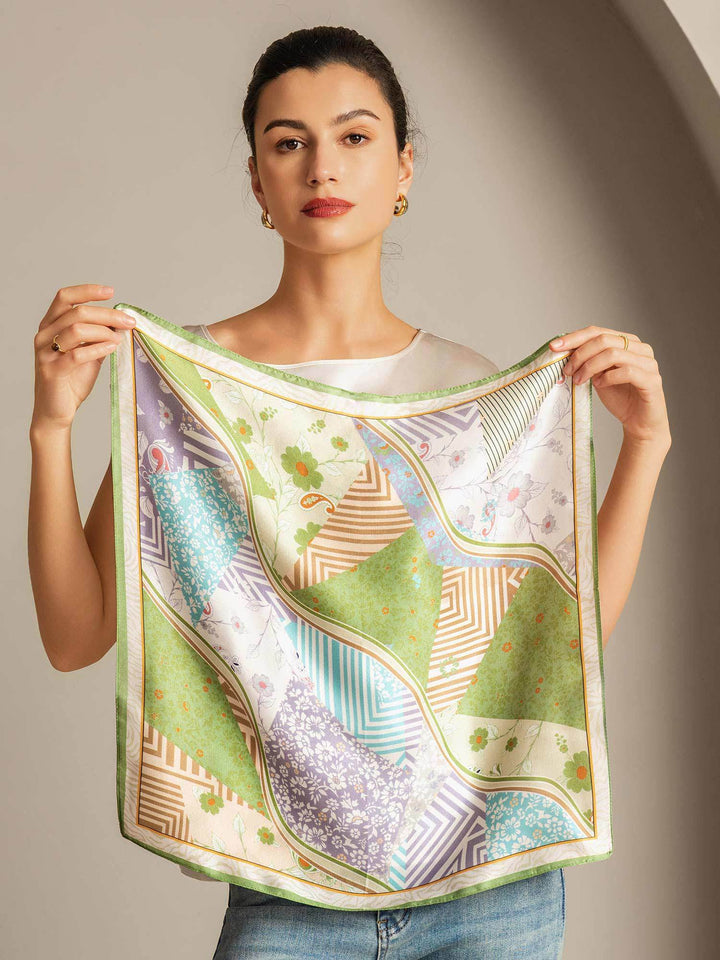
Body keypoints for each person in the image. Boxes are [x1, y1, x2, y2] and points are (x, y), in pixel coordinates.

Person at [28, 24, 672, 960]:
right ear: (258, 182)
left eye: (355, 135)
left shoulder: (471, 391)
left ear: (403, 167)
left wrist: (645, 446)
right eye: (288, 141)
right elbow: (74, 637)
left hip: (490, 888)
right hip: (288, 891)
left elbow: (554, 639)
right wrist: (51, 430)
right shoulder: (192, 391)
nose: (321, 165)